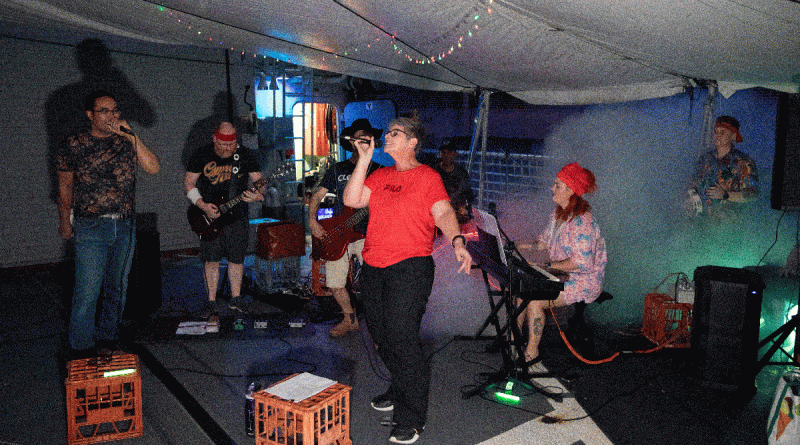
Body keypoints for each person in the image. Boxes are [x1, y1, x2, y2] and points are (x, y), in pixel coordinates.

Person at [343, 110, 472, 444]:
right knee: (382, 337)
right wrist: (364, 159)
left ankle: (411, 415)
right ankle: (399, 385)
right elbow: (352, 199)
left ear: (413, 142)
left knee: (402, 338)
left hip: (410, 269)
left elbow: (443, 211)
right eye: (388, 131)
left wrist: (458, 241)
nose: (387, 136)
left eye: (395, 132)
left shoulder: (428, 176)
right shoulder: (380, 175)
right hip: (374, 267)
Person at [57, 90, 160, 359]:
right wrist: (64, 222)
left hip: (124, 226)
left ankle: (108, 339)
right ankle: (81, 347)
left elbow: (153, 168)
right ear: (90, 115)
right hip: (91, 225)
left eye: (115, 110)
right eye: (105, 111)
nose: (112, 116)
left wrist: (132, 135)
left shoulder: (127, 141)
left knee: (117, 287)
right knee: (88, 289)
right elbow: (65, 187)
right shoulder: (74, 143)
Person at [519, 162, 607, 369]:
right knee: (519, 290)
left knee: (535, 302)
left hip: (584, 281)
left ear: (570, 191)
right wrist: (516, 244)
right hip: (560, 275)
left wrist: (547, 266)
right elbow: (542, 242)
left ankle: (532, 354)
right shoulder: (558, 213)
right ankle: (512, 342)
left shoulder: (582, 222)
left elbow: (580, 263)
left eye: (557, 185)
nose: (552, 188)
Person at [308, 119, 383, 337]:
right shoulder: (337, 169)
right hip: (339, 232)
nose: (362, 143)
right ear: (350, 143)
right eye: (358, 139)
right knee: (333, 283)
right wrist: (312, 221)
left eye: (366, 139)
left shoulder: (380, 171)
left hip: (368, 235)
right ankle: (349, 319)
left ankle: (380, 326)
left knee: (375, 282)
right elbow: (317, 195)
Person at [185, 122, 264, 327]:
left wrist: (257, 195)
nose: (229, 149)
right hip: (208, 214)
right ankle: (211, 302)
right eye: (224, 145)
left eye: (232, 144)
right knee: (210, 259)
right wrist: (202, 205)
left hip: (237, 215)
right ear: (215, 139)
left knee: (237, 259)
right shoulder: (201, 154)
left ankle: (235, 300)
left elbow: (259, 181)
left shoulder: (244, 155)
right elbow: (189, 183)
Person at [687, 116, 758, 217]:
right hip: (702, 221)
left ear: (733, 135)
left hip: (729, 225)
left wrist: (725, 195)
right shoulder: (705, 159)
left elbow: (753, 195)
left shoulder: (744, 162)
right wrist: (691, 197)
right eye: (716, 132)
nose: (717, 136)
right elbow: (692, 183)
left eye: (723, 132)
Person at [432, 142, 473, 224]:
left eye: (450, 152)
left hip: (455, 213)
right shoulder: (433, 172)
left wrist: (464, 207)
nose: (447, 155)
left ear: (455, 154)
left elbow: (468, 195)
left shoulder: (462, 173)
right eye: (444, 152)